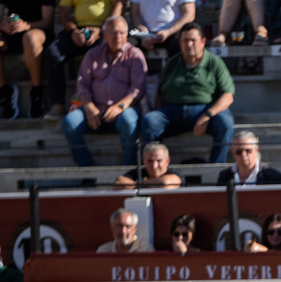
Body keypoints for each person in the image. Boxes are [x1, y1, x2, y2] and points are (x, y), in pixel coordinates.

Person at [44, 0, 128, 122]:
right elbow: (65, 12)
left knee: (103, 52)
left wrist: (103, 29)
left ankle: (99, 104)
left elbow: (119, 6)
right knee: (53, 53)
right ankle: (58, 105)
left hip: (106, 30)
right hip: (79, 28)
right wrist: (74, 31)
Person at [140, 23, 236, 163]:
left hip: (204, 110)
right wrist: (159, 110)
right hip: (172, 112)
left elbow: (228, 96)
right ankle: (156, 168)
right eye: (185, 40)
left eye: (193, 40)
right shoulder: (172, 63)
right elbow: (160, 94)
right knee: (150, 121)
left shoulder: (214, 63)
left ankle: (216, 170)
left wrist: (207, 115)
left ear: (203, 41)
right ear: (180, 42)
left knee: (225, 123)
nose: (189, 44)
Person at [61, 16, 145, 167]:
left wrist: (120, 106)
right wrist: (89, 106)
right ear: (104, 34)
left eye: (121, 33)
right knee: (69, 123)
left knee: (129, 121)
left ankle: (129, 167)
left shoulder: (135, 55)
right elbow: (82, 84)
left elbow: (137, 89)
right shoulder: (93, 54)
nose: (117, 37)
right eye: (113, 33)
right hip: (95, 109)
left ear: (127, 35)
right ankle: (86, 166)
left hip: (124, 110)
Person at [0, 0, 55, 119]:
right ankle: (4, 91)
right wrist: (3, 25)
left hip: (38, 31)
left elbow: (47, 21)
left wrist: (27, 26)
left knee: (30, 38)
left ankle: (36, 93)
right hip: (14, 32)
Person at [217, 130, 281, 184]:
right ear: (233, 152)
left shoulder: (272, 176)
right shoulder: (224, 176)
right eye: (239, 151)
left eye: (248, 150)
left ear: (256, 150)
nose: (243, 154)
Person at [113, 141, 182, 188]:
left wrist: (141, 183)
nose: (154, 166)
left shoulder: (175, 173)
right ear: (144, 161)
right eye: (150, 161)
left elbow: (165, 183)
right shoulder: (137, 173)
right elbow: (118, 183)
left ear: (167, 161)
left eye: (159, 161)